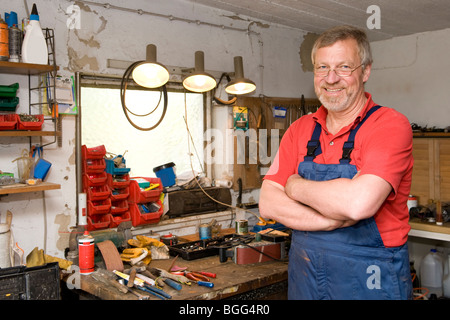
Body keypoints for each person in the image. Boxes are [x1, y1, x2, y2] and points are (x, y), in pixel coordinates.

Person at [259, 25, 413, 300]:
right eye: (322, 68)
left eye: (344, 67)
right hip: (305, 275)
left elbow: (358, 204)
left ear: (365, 71)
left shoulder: (389, 125)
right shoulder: (299, 129)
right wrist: (329, 221)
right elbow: (269, 203)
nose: (331, 79)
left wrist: (294, 187)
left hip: (370, 279)